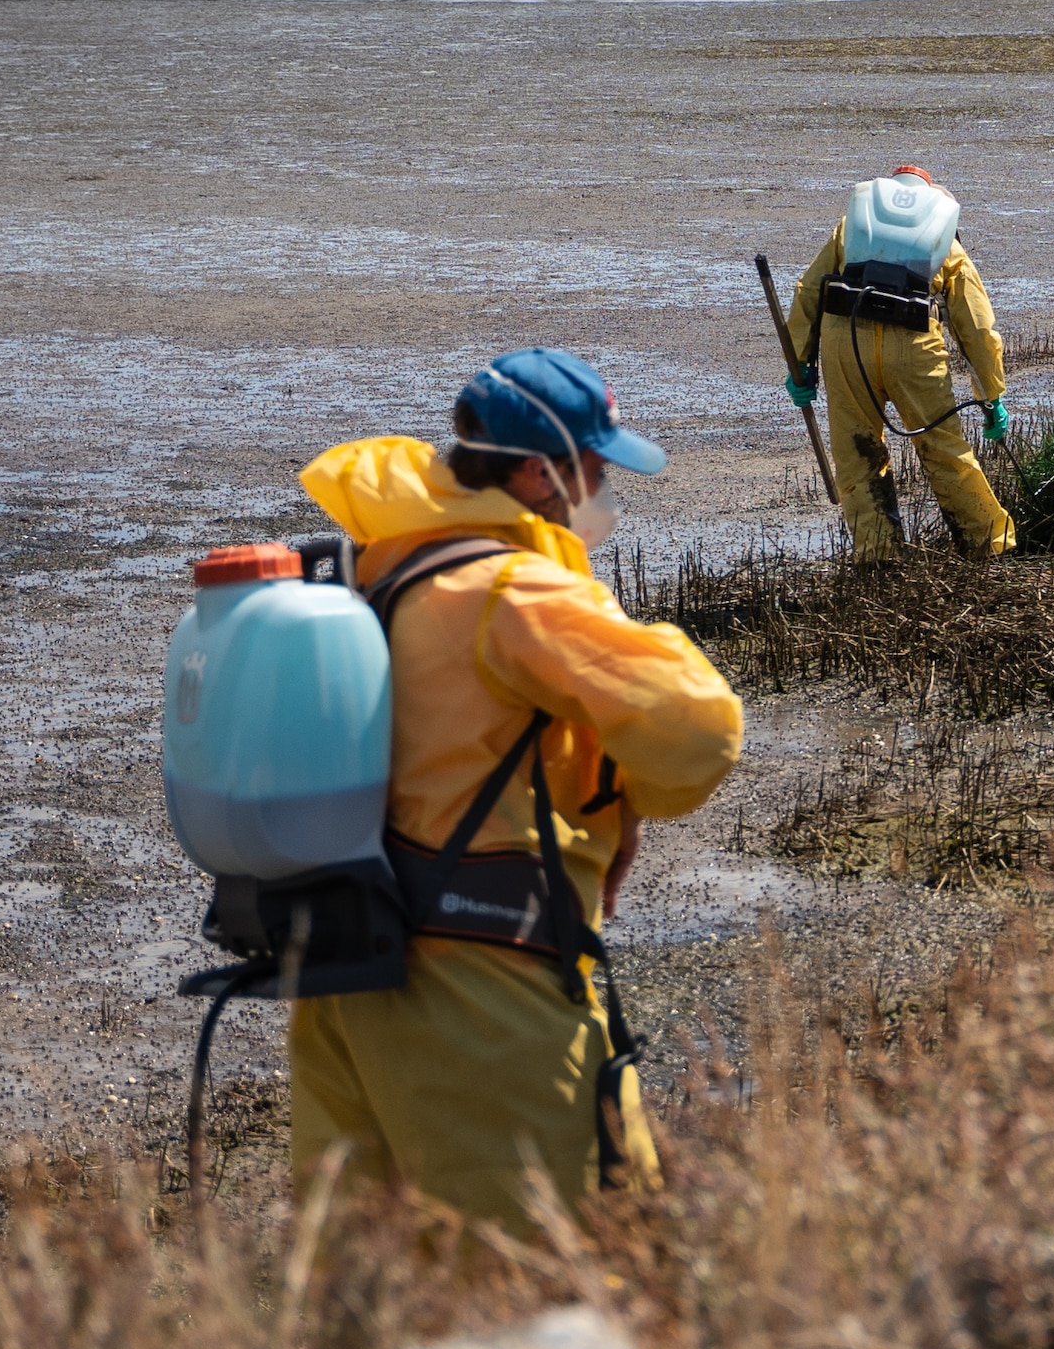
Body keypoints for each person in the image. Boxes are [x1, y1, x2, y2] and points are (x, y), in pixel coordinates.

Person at [286, 349, 743, 1228]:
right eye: (598, 468)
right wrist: (629, 788)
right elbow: (700, 727)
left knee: (377, 1290)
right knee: (580, 1257)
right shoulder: (512, 588)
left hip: (348, 982)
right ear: (543, 472)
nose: (603, 489)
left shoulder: (381, 572)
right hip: (482, 988)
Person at [784, 164, 1017, 558]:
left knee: (857, 453)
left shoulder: (851, 227)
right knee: (945, 450)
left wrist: (799, 361)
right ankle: (990, 547)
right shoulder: (946, 239)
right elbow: (975, 324)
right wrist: (991, 394)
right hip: (913, 347)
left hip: (846, 343)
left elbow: (810, 290)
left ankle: (879, 557)